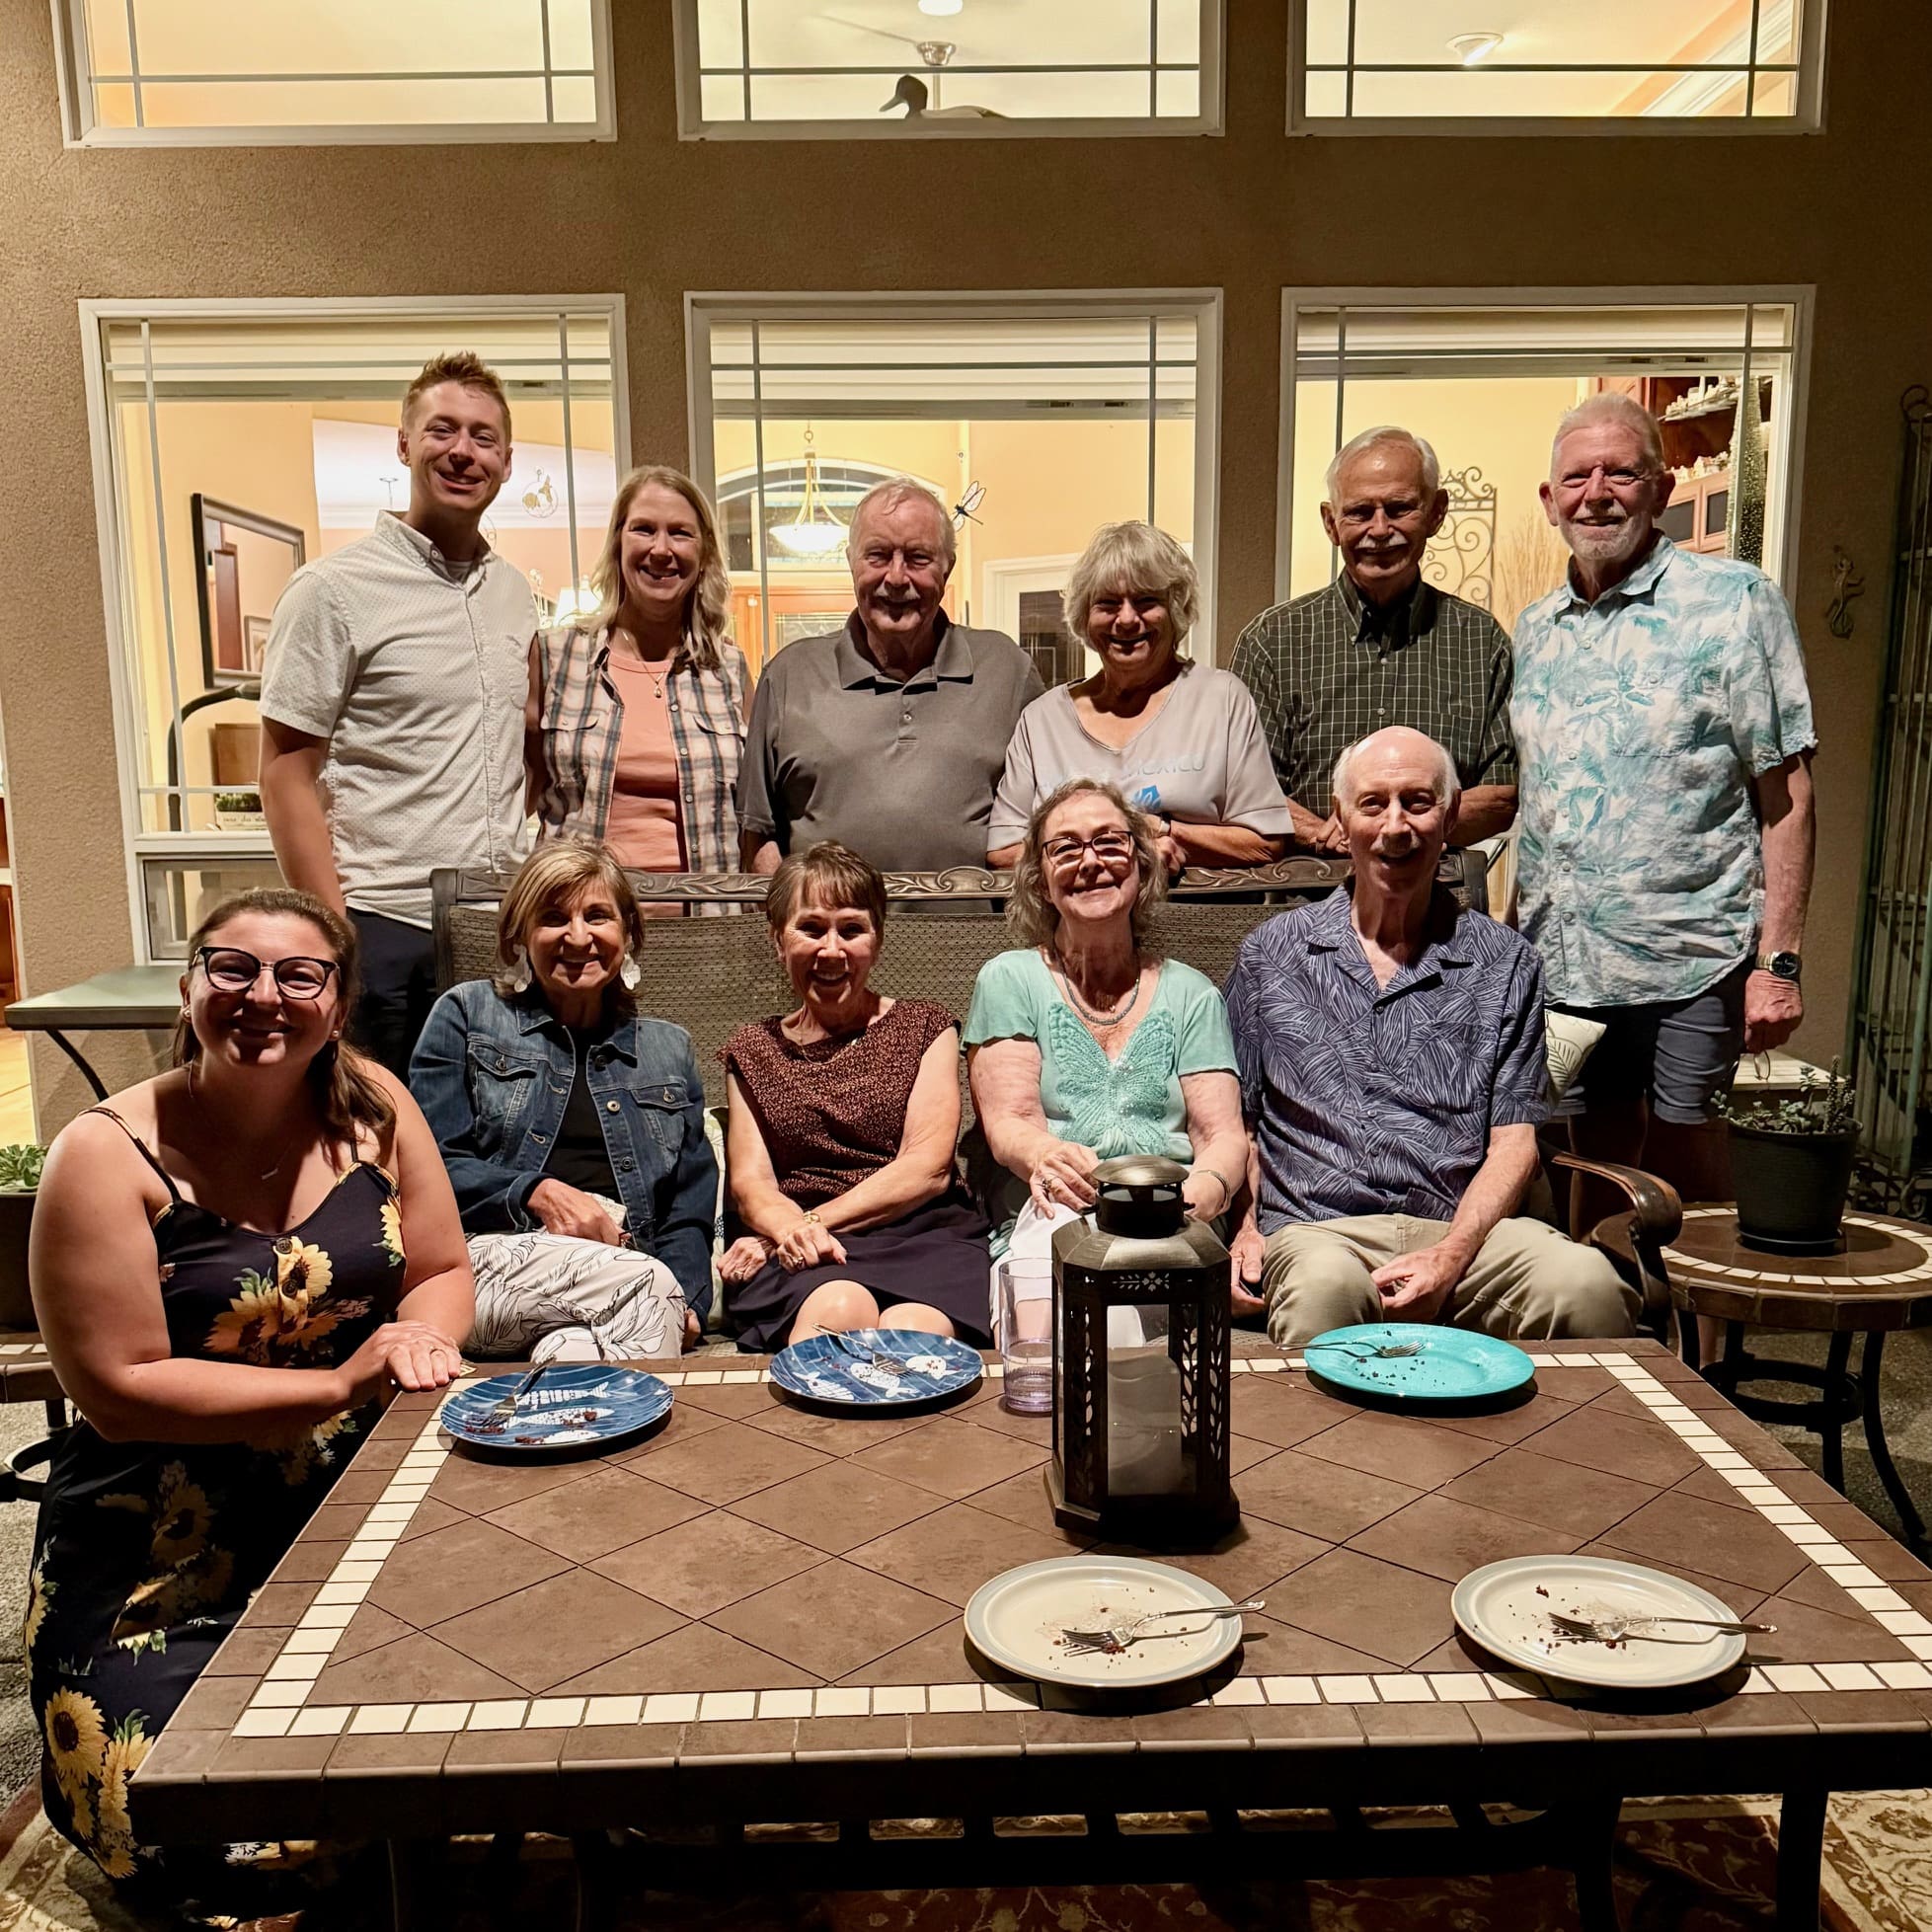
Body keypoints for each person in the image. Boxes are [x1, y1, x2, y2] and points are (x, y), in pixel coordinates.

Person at [25, 889, 470, 1905]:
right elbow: (120, 1389)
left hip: (362, 1509)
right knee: (210, 1824)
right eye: (233, 968)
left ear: (338, 1003)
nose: (263, 995)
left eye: (298, 975)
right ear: (189, 988)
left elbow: (442, 1268)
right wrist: (337, 1382)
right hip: (160, 1543)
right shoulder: (103, 1151)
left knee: (480, 1736)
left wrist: (420, 1341)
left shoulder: (376, 1109)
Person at [1224, 728, 1637, 1346]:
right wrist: (1244, 1230)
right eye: (1373, 804)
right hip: (1317, 1232)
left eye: (1417, 802)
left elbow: (1515, 1144)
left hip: (1466, 1231)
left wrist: (1451, 1255)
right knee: (1325, 1290)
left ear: (1449, 816)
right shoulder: (1272, 954)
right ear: (1341, 818)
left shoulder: (1506, 963)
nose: (1395, 826)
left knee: (1586, 1285)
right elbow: (1240, 1126)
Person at [1512, 393, 1816, 1218]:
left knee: (1690, 1174)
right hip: (1563, 963)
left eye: (1620, 472)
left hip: (1690, 958)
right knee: (1584, 1169)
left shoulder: (1733, 602)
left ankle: (1696, 1311)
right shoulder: (1535, 630)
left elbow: (1786, 795)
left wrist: (1777, 963)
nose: (1596, 494)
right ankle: (1604, 1302)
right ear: (1549, 500)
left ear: (1662, 486)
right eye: (1576, 477)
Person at [259, 350, 537, 1077]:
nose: (462, 451)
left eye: (483, 437)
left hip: (498, 930)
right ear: (405, 444)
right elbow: (284, 772)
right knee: (378, 1130)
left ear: (507, 463)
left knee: (493, 1132)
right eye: (442, 430)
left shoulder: (515, 594)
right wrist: (336, 938)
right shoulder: (331, 591)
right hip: (387, 926)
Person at [410, 841, 717, 1361]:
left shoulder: (669, 1048)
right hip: (482, 1268)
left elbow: (687, 1209)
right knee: (645, 1291)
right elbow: (427, 1168)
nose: (578, 937)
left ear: (628, 933)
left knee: (571, 1356)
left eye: (597, 916)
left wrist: (685, 1298)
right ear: (520, 936)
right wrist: (536, 1191)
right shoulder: (466, 1014)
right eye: (553, 918)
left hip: (621, 1280)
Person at [719, 842, 991, 1350]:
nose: (831, 950)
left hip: (923, 1236)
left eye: (851, 929)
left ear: (877, 939)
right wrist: (792, 1232)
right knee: (840, 1306)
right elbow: (752, 1184)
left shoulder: (925, 1026)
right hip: (806, 1254)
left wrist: (802, 1226)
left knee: (914, 1332)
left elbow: (927, 1170)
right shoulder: (751, 1049)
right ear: (778, 941)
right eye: (811, 928)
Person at [968, 779, 1249, 1272]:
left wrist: (1200, 1194)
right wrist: (1050, 1159)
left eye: (1110, 842)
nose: (1090, 861)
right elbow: (1011, 1124)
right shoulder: (1009, 979)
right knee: (1062, 1271)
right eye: (1065, 848)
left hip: (1176, 1212)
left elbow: (1221, 1136)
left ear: (1141, 865)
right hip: (1058, 1207)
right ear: (1040, 882)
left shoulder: (1194, 993)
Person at [1230, 425, 1518, 851]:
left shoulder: (1481, 642)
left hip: (1441, 890)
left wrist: (1394, 832)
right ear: (1331, 523)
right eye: (1360, 512)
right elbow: (1243, 785)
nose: (1380, 529)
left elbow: (1501, 793)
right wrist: (1327, 835)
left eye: (1399, 508)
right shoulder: (1271, 643)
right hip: (1306, 885)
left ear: (1437, 512)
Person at [735, 479, 1043, 874]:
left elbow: (1047, 821)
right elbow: (758, 835)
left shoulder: (1008, 671)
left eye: (918, 558)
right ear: (852, 562)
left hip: (977, 917)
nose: (896, 578)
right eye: (878, 555)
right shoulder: (787, 677)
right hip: (828, 918)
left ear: (947, 567)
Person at [986, 522, 1290, 873]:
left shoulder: (1222, 699)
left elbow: (1265, 842)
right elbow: (1004, 852)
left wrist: (1163, 831)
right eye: (1108, 604)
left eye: (1147, 601)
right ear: (1084, 616)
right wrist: (1123, 843)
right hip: (1070, 910)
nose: (1127, 619)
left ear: (1175, 610)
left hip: (1197, 909)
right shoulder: (1042, 719)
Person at [530, 465, 750, 908]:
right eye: (644, 529)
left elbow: (754, 816)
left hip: (710, 930)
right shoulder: (557, 657)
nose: (661, 549)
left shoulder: (729, 668)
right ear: (618, 542)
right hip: (582, 929)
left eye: (680, 533)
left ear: (704, 552)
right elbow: (516, 794)